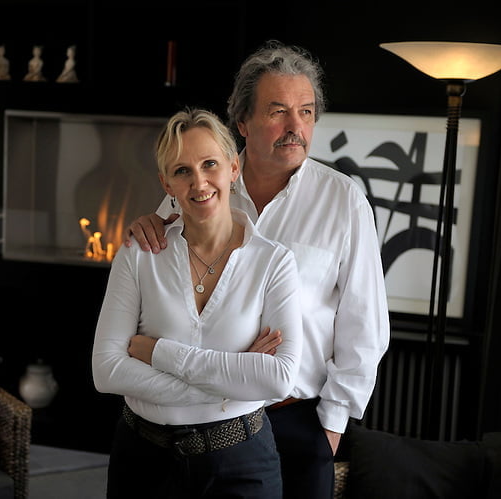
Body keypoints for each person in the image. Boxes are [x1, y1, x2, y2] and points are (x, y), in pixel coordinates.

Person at [125, 40, 390, 499]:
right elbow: (165, 291)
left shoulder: (344, 202)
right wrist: (148, 225)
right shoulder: (203, 184)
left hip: (294, 420)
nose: (295, 127)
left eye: (306, 112)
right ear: (242, 122)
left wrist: (330, 428)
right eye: (278, 111)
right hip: (202, 414)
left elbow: (366, 326)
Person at [92, 107, 304, 498]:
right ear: (166, 184)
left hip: (242, 462)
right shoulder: (138, 254)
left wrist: (159, 353)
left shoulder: (274, 262)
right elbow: (106, 371)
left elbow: (279, 378)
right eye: (182, 171)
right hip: (144, 461)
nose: (199, 182)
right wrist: (234, 382)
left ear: (233, 167)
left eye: (210, 164)